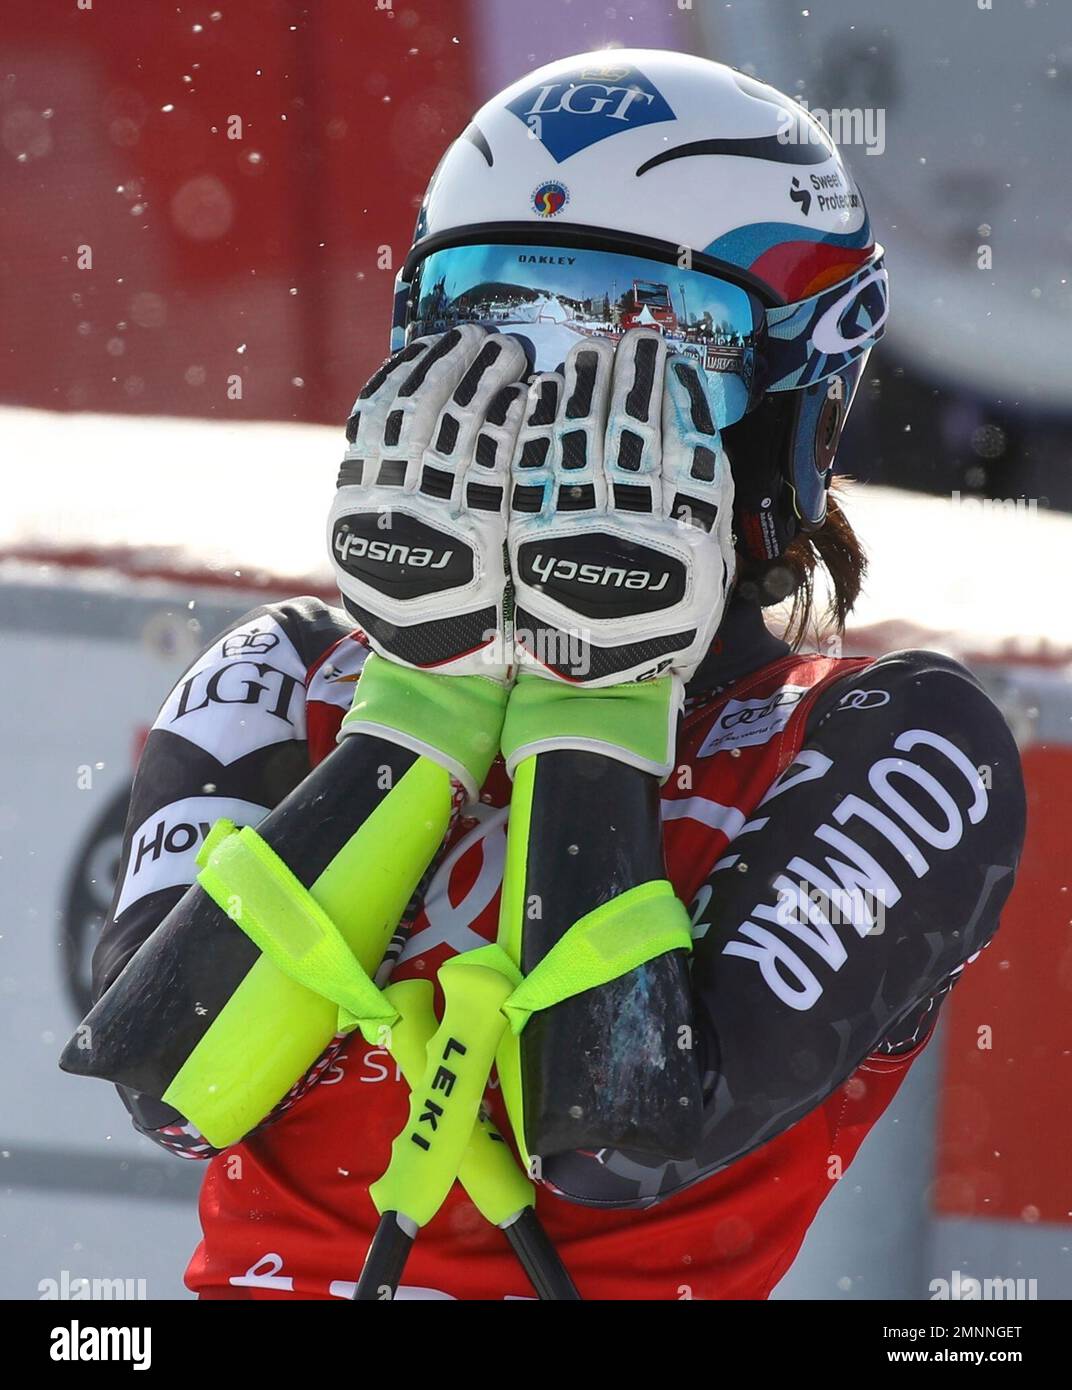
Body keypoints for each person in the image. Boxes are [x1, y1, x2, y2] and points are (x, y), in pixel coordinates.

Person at [79, 51, 1025, 1300]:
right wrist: (426, 699)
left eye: (654, 341)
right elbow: (175, 1088)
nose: (552, 397)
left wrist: (599, 694)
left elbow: (611, 1140)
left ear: (795, 401)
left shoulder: (892, 741)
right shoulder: (283, 672)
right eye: (497, 320)